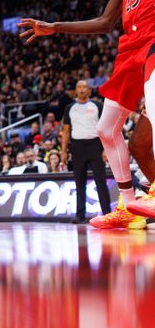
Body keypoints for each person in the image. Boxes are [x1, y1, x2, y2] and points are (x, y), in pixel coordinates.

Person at [19, 0, 155, 229]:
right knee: (107, 128)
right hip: (128, 49)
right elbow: (106, 22)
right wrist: (54, 26)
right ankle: (130, 205)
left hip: (154, 41)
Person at [61, 80, 112, 224]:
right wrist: (63, 151)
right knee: (79, 182)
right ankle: (80, 215)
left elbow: (105, 128)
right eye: (79, 87)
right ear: (76, 91)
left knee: (101, 181)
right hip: (77, 146)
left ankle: (107, 214)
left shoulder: (97, 106)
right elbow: (65, 131)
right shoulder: (69, 108)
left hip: (95, 145)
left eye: (85, 87)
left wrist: (105, 149)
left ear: (89, 91)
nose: (82, 89)